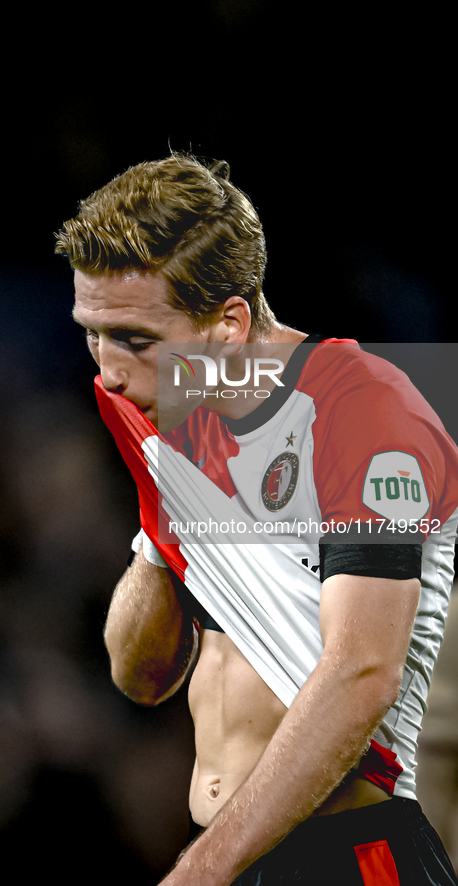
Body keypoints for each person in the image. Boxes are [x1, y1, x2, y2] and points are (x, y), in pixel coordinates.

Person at [55, 154, 458, 885]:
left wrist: (198, 873)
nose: (107, 368)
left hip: (352, 858)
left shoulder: (366, 413)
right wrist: (160, 533)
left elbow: (364, 672)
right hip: (233, 856)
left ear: (229, 325)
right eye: (92, 331)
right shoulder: (156, 407)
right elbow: (140, 676)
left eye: (133, 338)